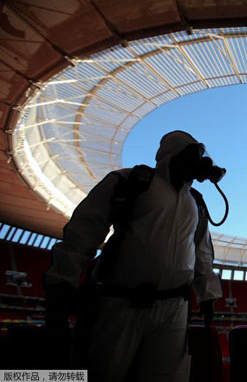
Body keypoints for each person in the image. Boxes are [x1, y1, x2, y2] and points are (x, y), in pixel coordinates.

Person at [44, 130, 223, 382]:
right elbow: (85, 230)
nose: (196, 163)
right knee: (104, 372)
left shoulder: (196, 202)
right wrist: (63, 278)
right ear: (170, 156)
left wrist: (208, 295)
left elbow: (202, 252)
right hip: (119, 301)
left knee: (167, 376)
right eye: (190, 155)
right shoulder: (131, 181)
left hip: (174, 308)